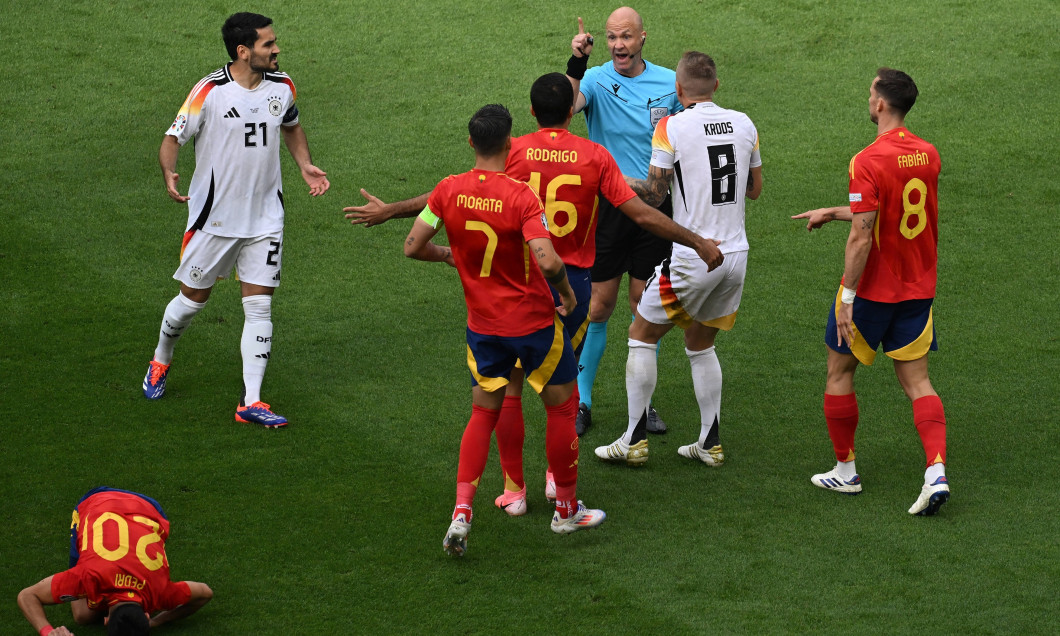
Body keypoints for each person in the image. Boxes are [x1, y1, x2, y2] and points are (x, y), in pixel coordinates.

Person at [343, 73, 721, 513]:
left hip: (517, 283)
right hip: (571, 287)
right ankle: (557, 486)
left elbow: (455, 191)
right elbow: (641, 214)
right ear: (572, 110)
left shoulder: (514, 149)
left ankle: (514, 491)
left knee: (509, 389)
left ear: (531, 111)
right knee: (563, 397)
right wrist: (695, 240)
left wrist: (392, 210)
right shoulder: (594, 156)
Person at [403, 104, 607, 556]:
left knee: (483, 413)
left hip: (484, 328)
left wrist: (448, 256)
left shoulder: (447, 190)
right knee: (560, 409)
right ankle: (567, 509)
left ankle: (463, 511)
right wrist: (569, 297)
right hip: (534, 324)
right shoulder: (520, 196)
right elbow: (549, 258)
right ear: (510, 143)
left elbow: (414, 245)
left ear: (471, 143)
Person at [142, 12, 330, 428]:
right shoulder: (209, 91)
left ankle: (252, 401)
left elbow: (292, 125)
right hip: (214, 220)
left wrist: (304, 164)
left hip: (265, 218)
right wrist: (168, 171)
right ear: (244, 51)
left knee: (260, 307)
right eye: (268, 44)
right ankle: (161, 359)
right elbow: (173, 138)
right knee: (191, 303)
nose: (277, 49)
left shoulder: (283, 86)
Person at [791, 68, 949, 516]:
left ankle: (845, 472)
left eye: (870, 92)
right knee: (918, 383)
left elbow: (864, 236)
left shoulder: (868, 160)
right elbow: (895, 212)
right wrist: (835, 210)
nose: (868, 98)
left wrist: (846, 296)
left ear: (880, 104)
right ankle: (935, 471)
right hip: (917, 290)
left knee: (839, 373)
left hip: (873, 295)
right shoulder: (929, 154)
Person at [593, 51, 762, 466]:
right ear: (716, 86)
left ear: (679, 89)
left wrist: (609, 176)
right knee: (700, 343)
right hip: (735, 256)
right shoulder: (744, 123)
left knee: (640, 334)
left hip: (694, 257)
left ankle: (632, 440)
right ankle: (710, 442)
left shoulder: (671, 126)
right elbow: (755, 189)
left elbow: (654, 194)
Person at [561, 8, 683, 437]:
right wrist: (576, 63)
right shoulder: (594, 79)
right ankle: (583, 401)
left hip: (653, 210)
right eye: (612, 38)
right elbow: (567, 107)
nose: (618, 46)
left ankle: (643, 404)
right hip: (607, 211)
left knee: (643, 305)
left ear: (643, 38)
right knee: (598, 305)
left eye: (626, 37)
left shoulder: (669, 83)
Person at [17, 487, 213, 636]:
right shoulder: (87, 578)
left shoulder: (161, 593)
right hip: (97, 502)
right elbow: (27, 595)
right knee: (81, 616)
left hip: (149, 509)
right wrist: (48, 633)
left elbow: (204, 592)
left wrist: (156, 621)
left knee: (84, 615)